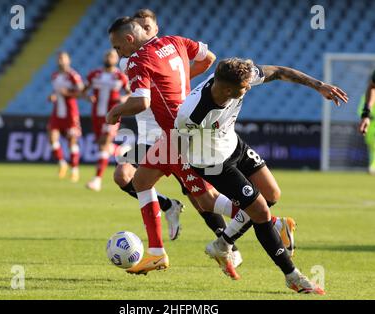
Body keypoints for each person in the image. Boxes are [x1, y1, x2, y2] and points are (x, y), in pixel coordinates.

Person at [107, 17, 295, 279]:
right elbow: (209, 59)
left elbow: (141, 102)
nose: (119, 54)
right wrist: (177, 81)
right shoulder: (175, 41)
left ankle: (273, 223)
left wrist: (115, 112)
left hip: (181, 135)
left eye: (117, 48)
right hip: (171, 133)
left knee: (205, 200)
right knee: (140, 181)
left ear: (129, 39)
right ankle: (157, 249)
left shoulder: (138, 60)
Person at [175, 58, 348, 294]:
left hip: (234, 146)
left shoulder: (240, 79)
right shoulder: (192, 113)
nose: (248, 89)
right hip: (211, 163)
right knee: (260, 211)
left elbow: (279, 70)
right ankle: (292, 275)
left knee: (272, 194)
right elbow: (179, 145)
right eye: (245, 87)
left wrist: (319, 85)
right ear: (227, 89)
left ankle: (222, 243)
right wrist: (192, 180)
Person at [85, 49, 131, 191]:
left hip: (113, 114)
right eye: (107, 55)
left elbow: (129, 92)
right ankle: (120, 150)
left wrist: (123, 99)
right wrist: (87, 96)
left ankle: (97, 180)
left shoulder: (120, 76)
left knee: (104, 143)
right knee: (101, 145)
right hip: (97, 114)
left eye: (111, 56)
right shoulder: (94, 74)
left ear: (116, 59)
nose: (108, 58)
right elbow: (84, 89)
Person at [48, 51, 84, 182]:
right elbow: (56, 91)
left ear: (68, 60)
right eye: (58, 59)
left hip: (70, 113)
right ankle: (62, 163)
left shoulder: (73, 75)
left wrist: (68, 93)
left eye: (63, 58)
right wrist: (52, 96)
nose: (60, 61)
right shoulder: (55, 75)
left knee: (71, 141)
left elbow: (81, 92)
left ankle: (74, 170)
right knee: (52, 137)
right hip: (57, 111)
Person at [358, 69, 375, 174]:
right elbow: (372, 86)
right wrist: (366, 115)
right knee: (372, 147)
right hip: (372, 125)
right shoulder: (366, 97)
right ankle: (372, 166)